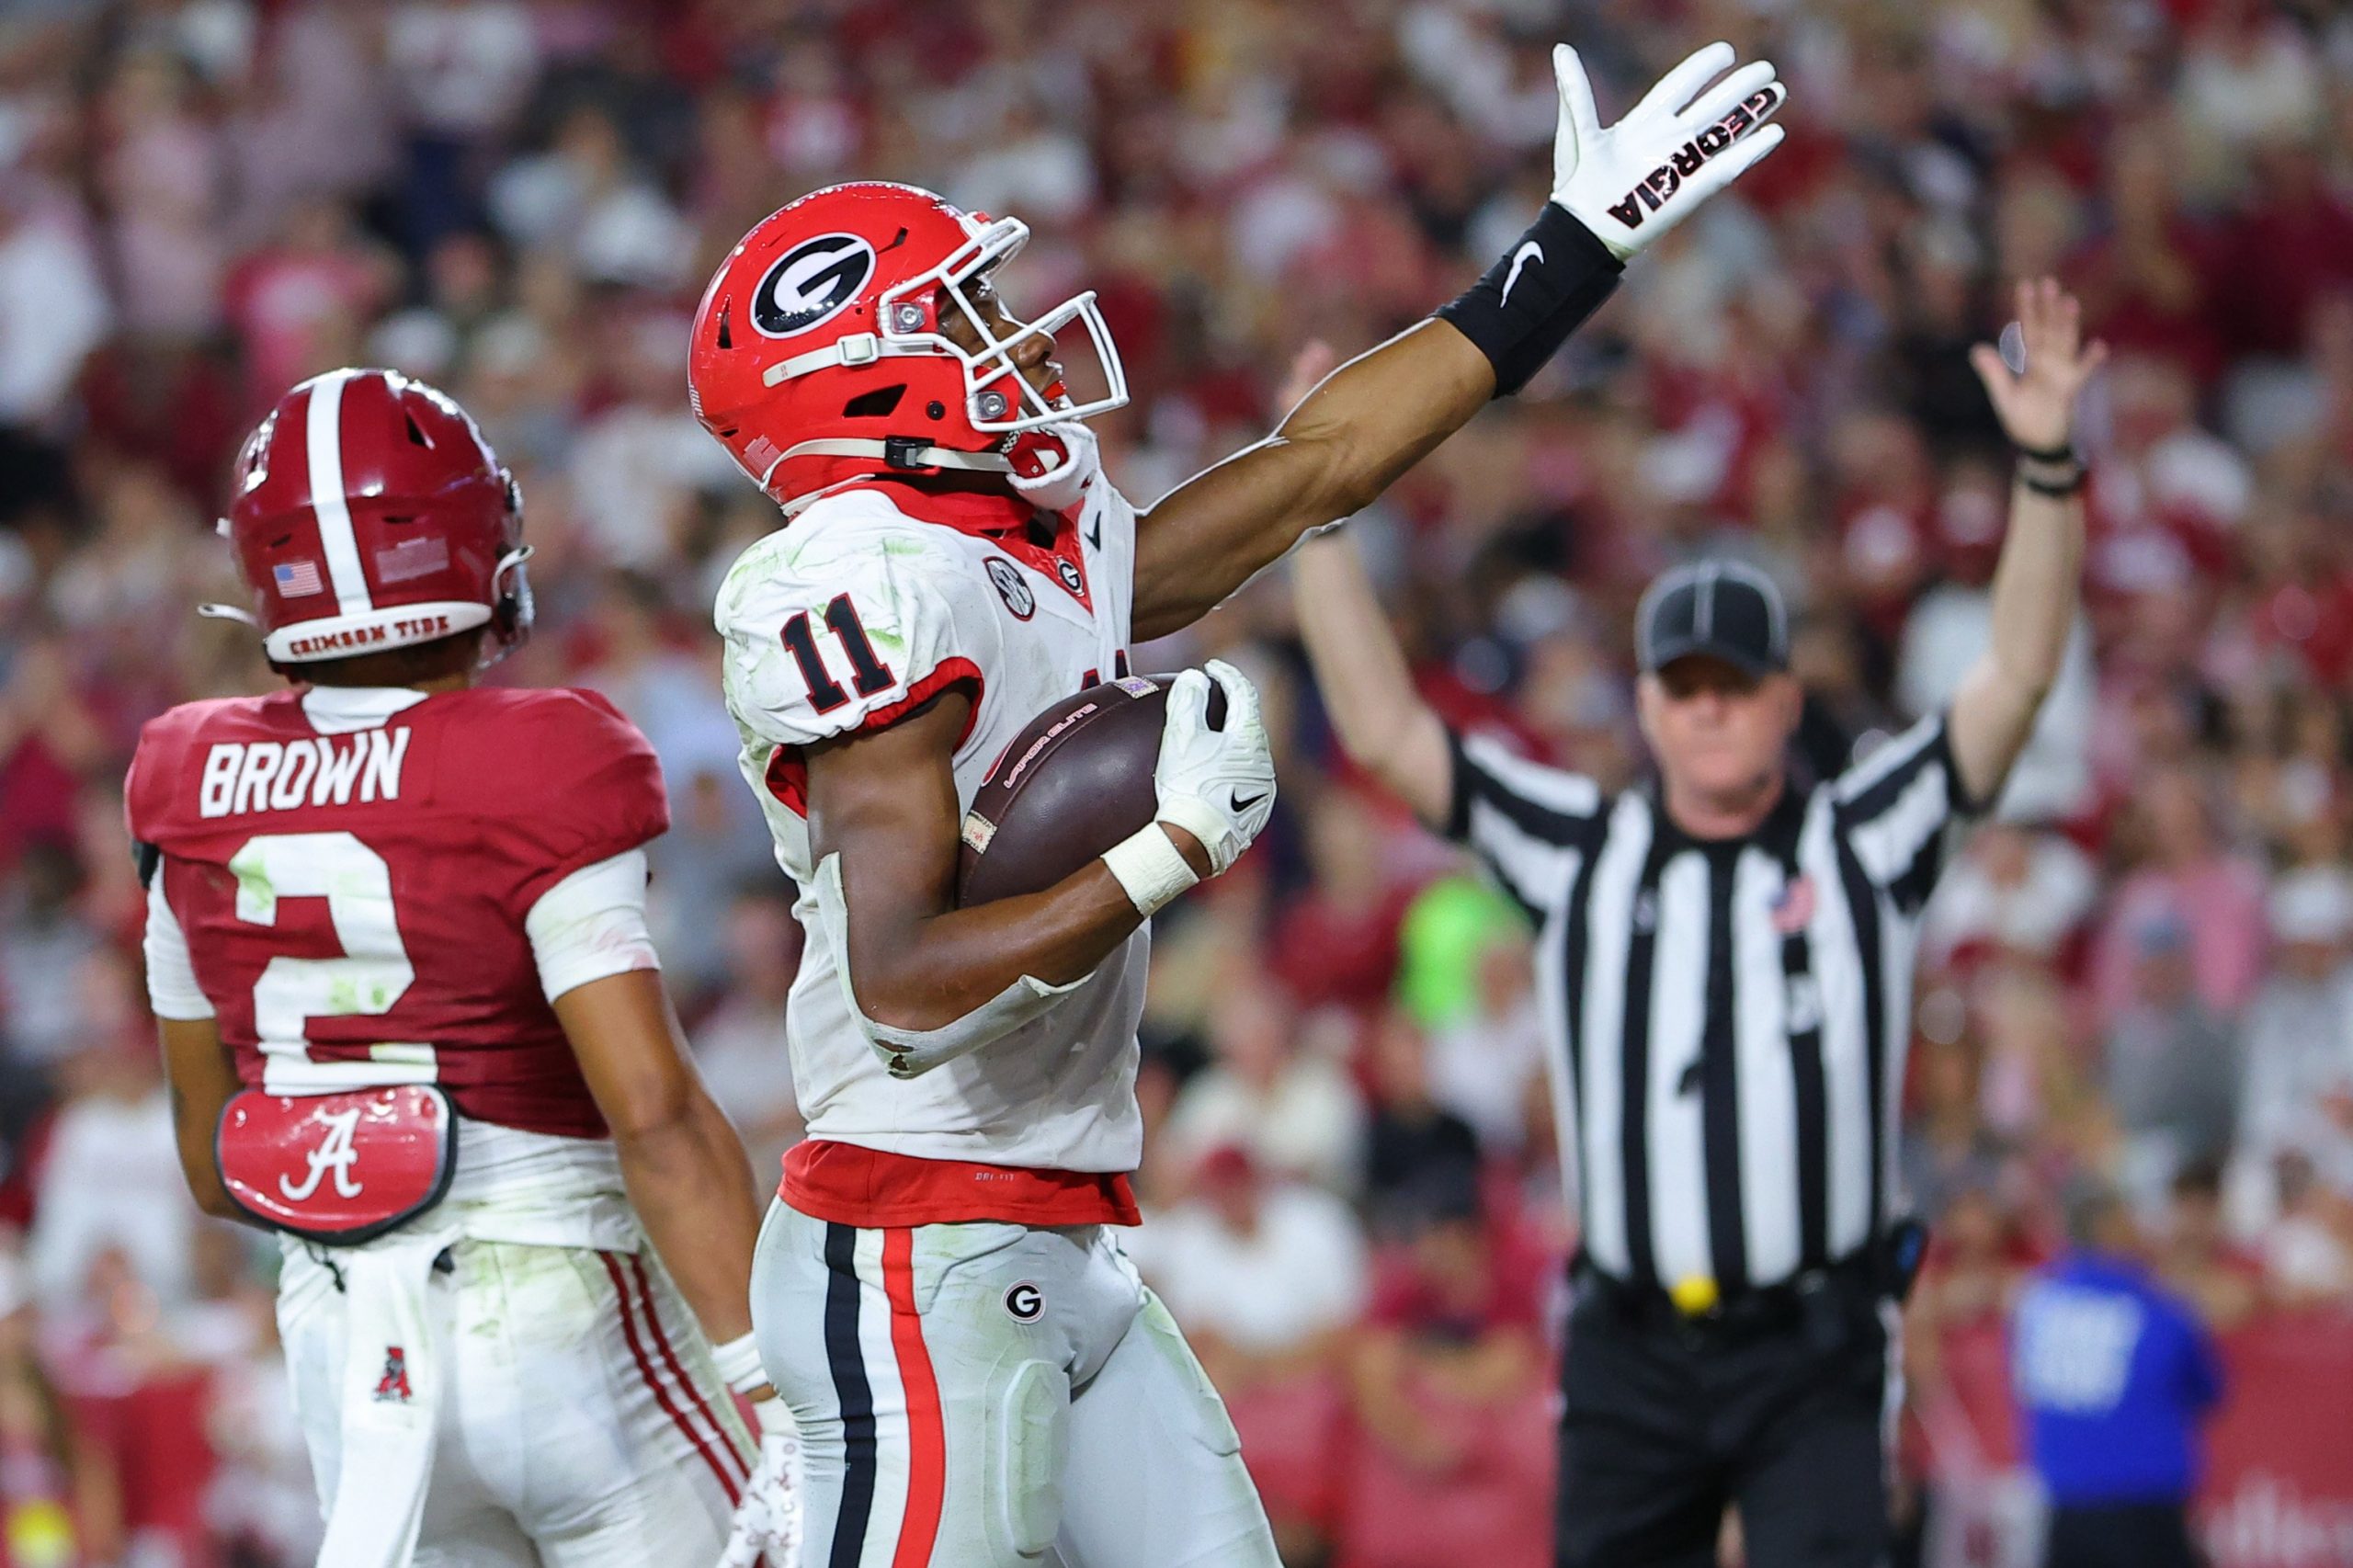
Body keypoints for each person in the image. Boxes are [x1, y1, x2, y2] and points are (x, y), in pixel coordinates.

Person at [688, 34, 1790, 1568]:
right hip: (911, 1245)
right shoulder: (873, 577)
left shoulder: (1015, 549)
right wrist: (1164, 855)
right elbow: (903, 989)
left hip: (1054, 1227)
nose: (1011, 333)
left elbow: (1315, 466)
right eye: (961, 312)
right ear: (860, 375)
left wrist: (1568, 252)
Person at [1290, 278, 2106, 1567]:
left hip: (1814, 1340)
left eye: (1737, 686)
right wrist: (1317, 520)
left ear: (1788, 701)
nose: (1712, 709)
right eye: (1688, 687)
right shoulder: (1580, 845)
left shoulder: (1864, 838)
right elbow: (1391, 737)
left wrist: (2047, 467)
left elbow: (2011, 682)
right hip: (1628, 1344)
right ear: (1652, 707)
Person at [127, 369, 790, 1567]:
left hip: (347, 1354)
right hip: (558, 1306)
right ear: (467, 539)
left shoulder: (182, 774)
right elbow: (656, 1114)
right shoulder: (546, 753)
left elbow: (211, 1161)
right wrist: (771, 1385)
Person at [2012, 1183, 2222, 1568]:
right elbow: (2207, 1388)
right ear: (2110, 1231)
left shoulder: (2037, 1304)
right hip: (2143, 1506)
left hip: (2065, 1507)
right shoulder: (2157, 1309)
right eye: (2130, 1222)